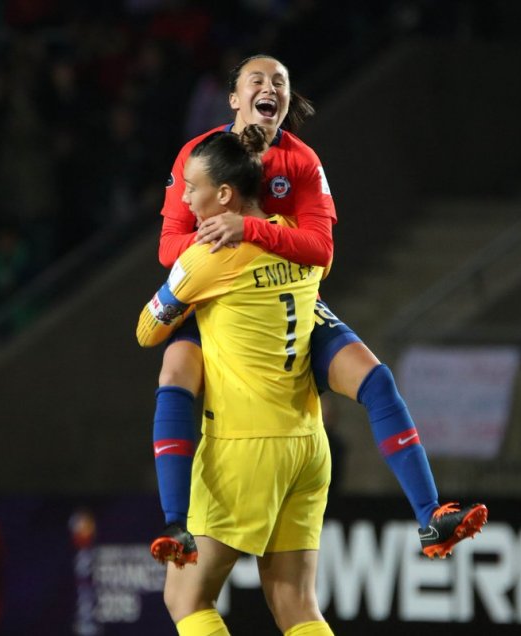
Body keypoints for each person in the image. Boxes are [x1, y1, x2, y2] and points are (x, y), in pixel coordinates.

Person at [149, 54, 486, 568]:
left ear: (285, 100)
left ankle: (431, 513)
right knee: (175, 370)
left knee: (376, 380)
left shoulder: (301, 161)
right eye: (256, 80)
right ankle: (176, 522)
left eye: (279, 81)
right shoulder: (197, 156)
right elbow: (168, 248)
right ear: (234, 99)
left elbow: (322, 252)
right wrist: (212, 250)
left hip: (289, 302)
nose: (270, 87)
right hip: (217, 300)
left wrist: (250, 230)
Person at [138, 124, 333, 636]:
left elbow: (147, 329)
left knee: (185, 595)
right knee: (295, 603)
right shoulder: (295, 238)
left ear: (224, 195)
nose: (183, 196)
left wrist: (187, 295)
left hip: (245, 446)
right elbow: (319, 244)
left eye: (192, 187)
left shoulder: (209, 256)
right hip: (308, 442)